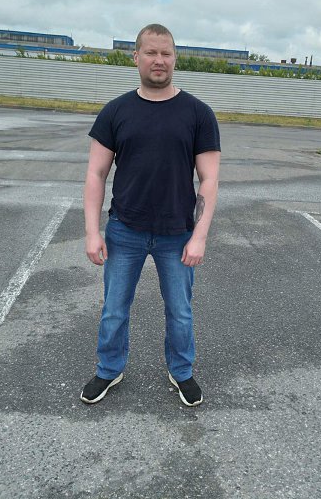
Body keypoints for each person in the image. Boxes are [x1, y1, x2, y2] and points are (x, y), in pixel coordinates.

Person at [80, 23, 221, 407]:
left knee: (180, 312)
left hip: (177, 233)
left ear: (175, 58)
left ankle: (182, 371)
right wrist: (92, 232)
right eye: (151, 52)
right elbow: (95, 174)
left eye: (166, 53)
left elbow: (209, 179)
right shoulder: (116, 111)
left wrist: (199, 237)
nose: (159, 60)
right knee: (114, 310)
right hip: (124, 230)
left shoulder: (198, 113)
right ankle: (109, 369)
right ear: (136, 57)